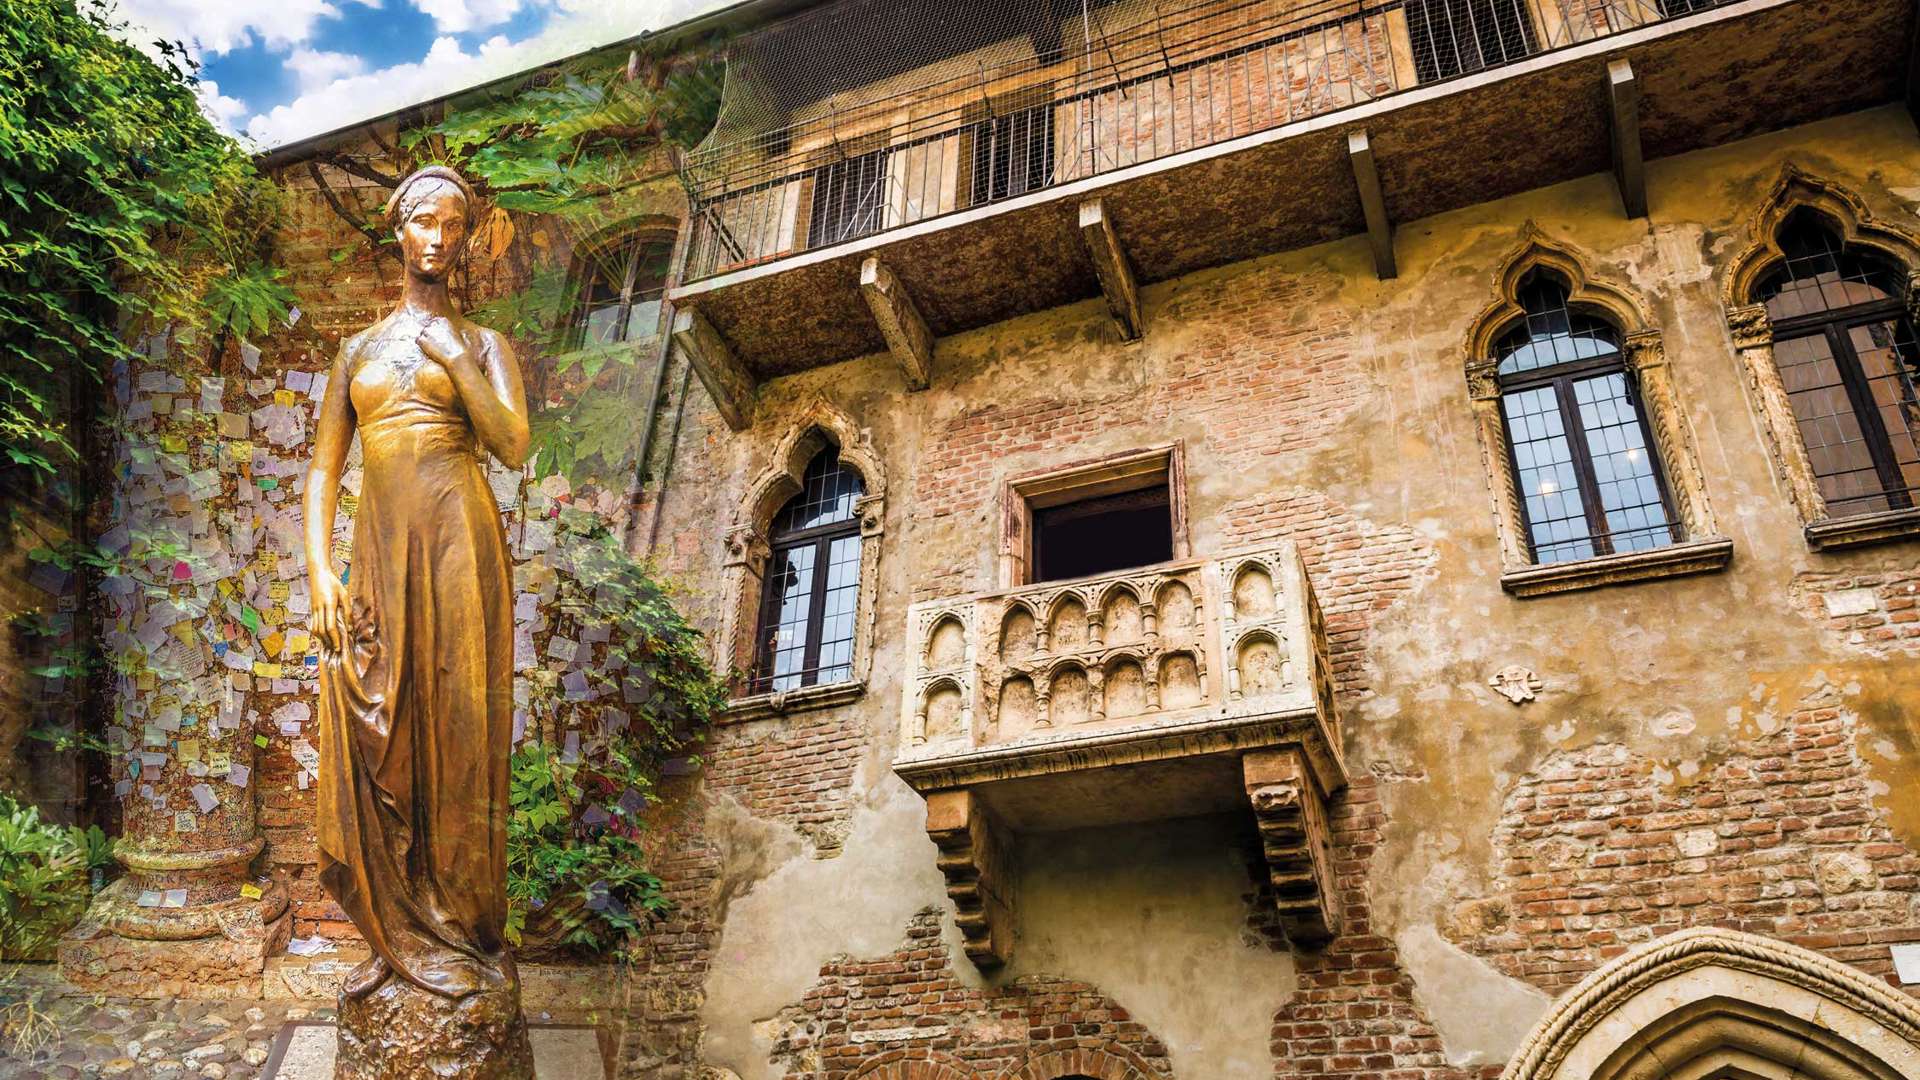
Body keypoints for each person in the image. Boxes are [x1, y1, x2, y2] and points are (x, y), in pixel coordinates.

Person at [302, 164, 530, 1003]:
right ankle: (392, 929)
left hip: (459, 544)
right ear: (398, 230)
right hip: (380, 550)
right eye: (425, 222)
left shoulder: (483, 344)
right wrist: (322, 568)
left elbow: (511, 443)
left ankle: (465, 929)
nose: (439, 238)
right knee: (375, 719)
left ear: (464, 241)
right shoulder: (355, 352)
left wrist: (457, 365)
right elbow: (324, 471)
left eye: (455, 227)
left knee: (459, 728)